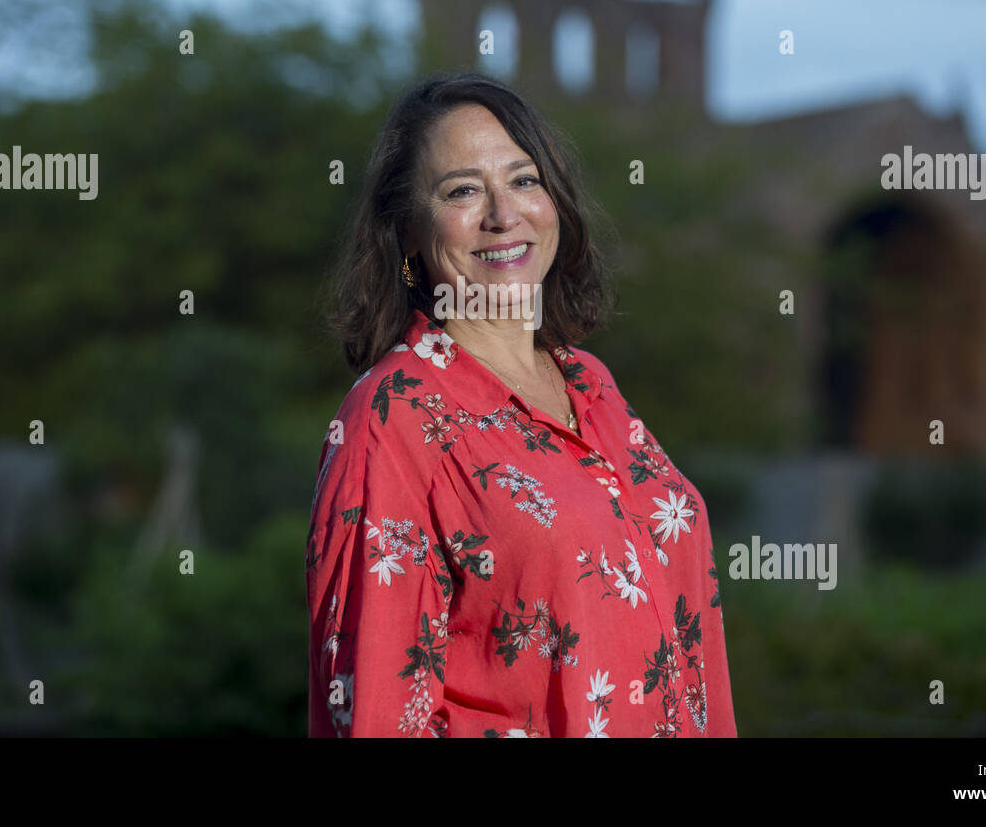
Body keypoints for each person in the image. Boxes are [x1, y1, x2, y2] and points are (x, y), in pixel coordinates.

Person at [306, 70, 736, 737]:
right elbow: (377, 712)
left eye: (524, 179)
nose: (503, 214)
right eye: (463, 190)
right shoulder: (395, 417)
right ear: (408, 234)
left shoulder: (592, 386)